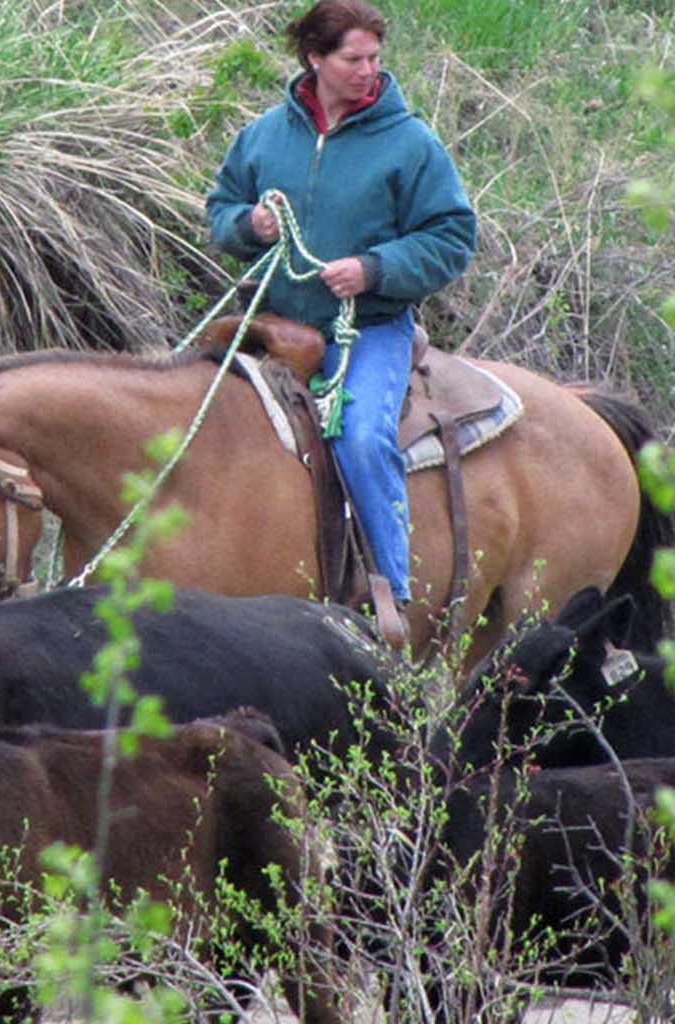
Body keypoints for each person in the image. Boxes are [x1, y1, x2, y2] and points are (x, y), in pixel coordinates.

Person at [206, 0, 478, 648]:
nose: (368, 71)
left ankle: (392, 596)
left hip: (370, 328)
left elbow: (453, 236)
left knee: (359, 438)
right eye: (353, 59)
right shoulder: (267, 135)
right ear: (315, 59)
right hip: (274, 320)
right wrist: (251, 226)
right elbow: (222, 208)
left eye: (374, 59)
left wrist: (375, 268)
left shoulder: (410, 143)